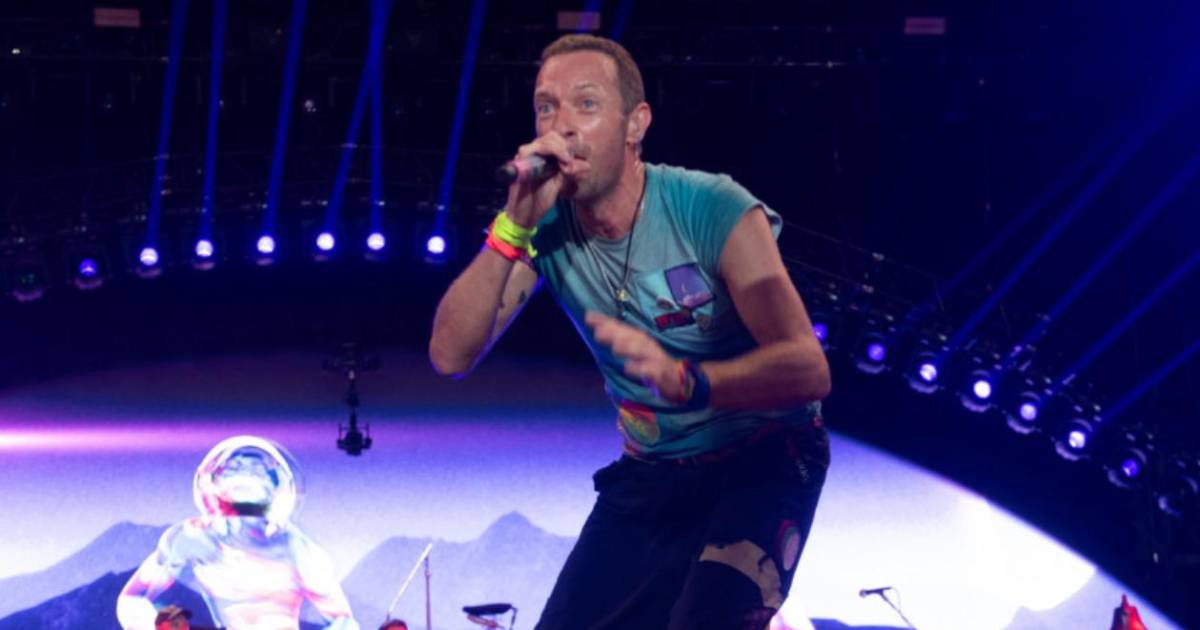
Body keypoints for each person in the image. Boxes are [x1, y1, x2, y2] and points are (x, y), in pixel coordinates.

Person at [429, 33, 832, 630]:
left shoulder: (712, 207)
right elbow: (450, 355)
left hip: (764, 456)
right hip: (653, 473)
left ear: (635, 125)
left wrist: (690, 382)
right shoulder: (543, 228)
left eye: (586, 104)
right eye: (546, 107)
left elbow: (807, 368)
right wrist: (512, 226)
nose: (562, 125)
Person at [116, 435, 359, 630]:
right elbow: (132, 600)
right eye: (236, 468)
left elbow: (345, 622)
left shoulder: (297, 549)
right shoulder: (193, 538)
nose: (247, 472)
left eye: (256, 470)